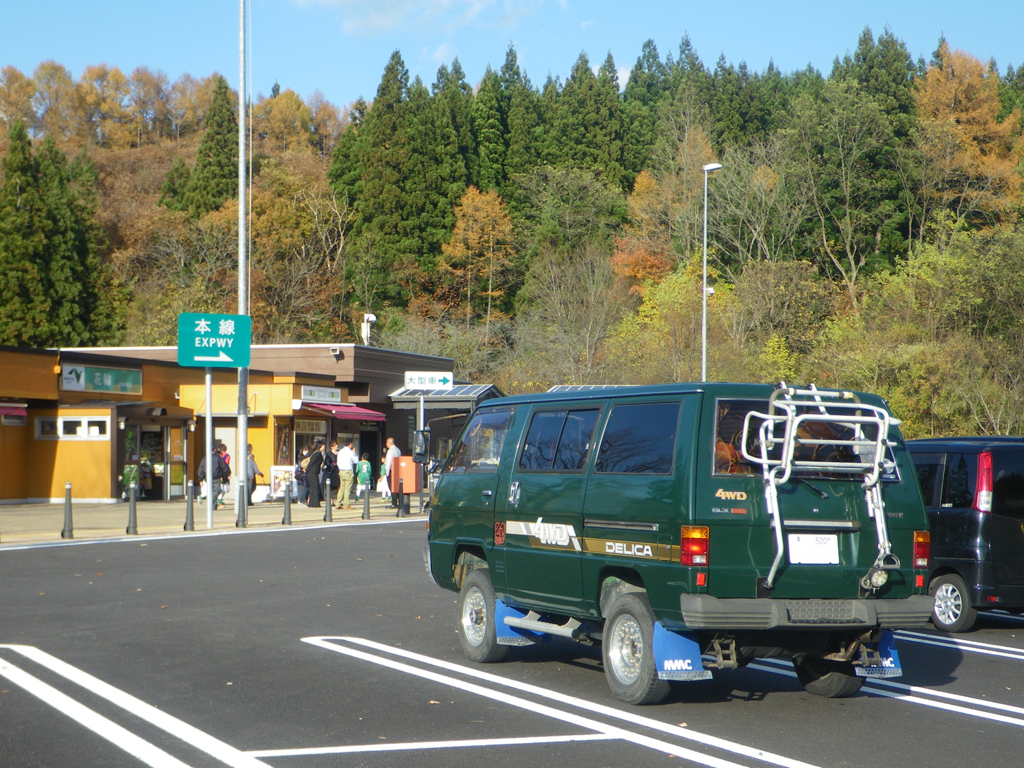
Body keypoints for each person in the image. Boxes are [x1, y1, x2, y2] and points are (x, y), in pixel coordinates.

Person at [336, 438, 357, 508]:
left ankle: (338, 503)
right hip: (348, 471)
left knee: (341, 488)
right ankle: (346, 504)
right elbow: (356, 461)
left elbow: (338, 463)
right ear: (350, 444)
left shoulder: (340, 452)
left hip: (341, 471)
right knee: (347, 488)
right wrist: (354, 453)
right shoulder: (350, 452)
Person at [385, 437, 402, 509]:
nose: (386, 444)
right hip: (398, 471)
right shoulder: (398, 450)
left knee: (392, 487)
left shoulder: (390, 451)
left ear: (389, 443)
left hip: (391, 471)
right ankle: (399, 502)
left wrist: (387, 471)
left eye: (387, 443)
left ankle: (394, 503)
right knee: (397, 486)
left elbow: (389, 461)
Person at [305, 440, 323, 507]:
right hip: (312, 472)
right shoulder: (317, 453)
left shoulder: (313, 452)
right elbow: (311, 463)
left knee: (312, 487)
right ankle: (315, 503)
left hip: (311, 472)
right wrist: (307, 470)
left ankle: (312, 503)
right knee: (315, 487)